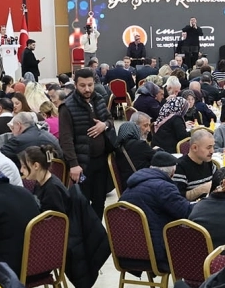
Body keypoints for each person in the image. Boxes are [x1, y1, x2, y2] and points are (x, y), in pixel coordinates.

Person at [58, 68, 116, 218]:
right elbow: (65, 139)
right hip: (81, 165)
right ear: (75, 85)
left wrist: (104, 125)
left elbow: (110, 120)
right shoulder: (67, 107)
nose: (87, 89)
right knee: (82, 203)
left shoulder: (99, 99)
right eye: (82, 85)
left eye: (90, 85)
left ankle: (96, 230)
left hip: (101, 160)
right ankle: (84, 231)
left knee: (100, 200)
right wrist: (73, 164)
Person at [122, 151, 193, 269]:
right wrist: (204, 203)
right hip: (157, 253)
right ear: (173, 173)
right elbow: (187, 212)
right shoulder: (164, 188)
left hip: (127, 252)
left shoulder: (131, 186)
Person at [173, 128, 217, 200]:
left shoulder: (208, 162)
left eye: (213, 147)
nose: (212, 151)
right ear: (194, 148)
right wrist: (201, 190)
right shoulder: (180, 167)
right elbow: (178, 198)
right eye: (208, 147)